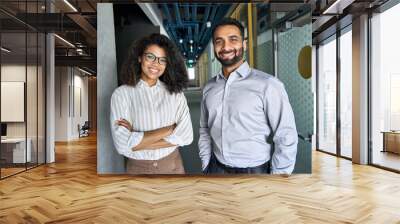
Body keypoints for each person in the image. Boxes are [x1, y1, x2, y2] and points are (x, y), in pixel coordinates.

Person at [198, 18, 298, 175]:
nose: (226, 47)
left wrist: (280, 177)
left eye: (233, 39)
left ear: (244, 44)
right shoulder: (209, 87)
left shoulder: (268, 85)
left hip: (255, 170)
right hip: (216, 168)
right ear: (214, 47)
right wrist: (206, 163)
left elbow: (286, 134)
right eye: (219, 41)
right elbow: (204, 128)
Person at [110, 33, 193, 174]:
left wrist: (136, 138)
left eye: (162, 60)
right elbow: (121, 145)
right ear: (139, 57)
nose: (156, 64)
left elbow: (186, 137)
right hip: (138, 169)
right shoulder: (121, 94)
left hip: (173, 165)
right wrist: (169, 129)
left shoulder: (175, 93)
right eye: (150, 57)